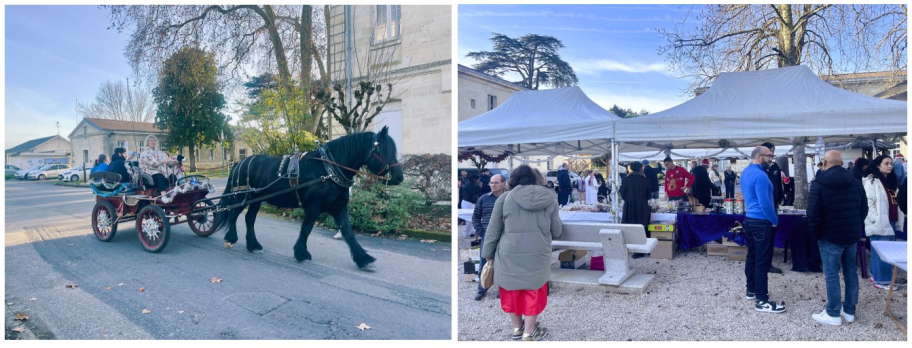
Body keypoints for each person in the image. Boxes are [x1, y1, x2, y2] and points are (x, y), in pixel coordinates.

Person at [482, 165, 561, 341]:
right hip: (538, 252)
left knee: (511, 289)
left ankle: (518, 328)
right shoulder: (550, 199)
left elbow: (493, 230)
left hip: (509, 252)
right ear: (536, 179)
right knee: (534, 289)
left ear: (513, 180)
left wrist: (488, 253)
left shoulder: (504, 198)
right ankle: (529, 332)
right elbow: (556, 230)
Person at [806, 150, 866, 326]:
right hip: (850, 235)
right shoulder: (855, 182)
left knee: (831, 274)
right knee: (850, 272)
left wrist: (815, 235)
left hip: (829, 236)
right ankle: (849, 311)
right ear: (841, 163)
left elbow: (813, 215)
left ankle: (832, 313)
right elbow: (863, 210)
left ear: (824, 163)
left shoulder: (819, 183)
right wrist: (855, 227)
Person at [740, 146, 786, 313]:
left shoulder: (746, 172)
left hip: (750, 220)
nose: (771, 159)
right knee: (762, 261)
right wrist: (774, 221)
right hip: (761, 221)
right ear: (759, 156)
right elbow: (765, 203)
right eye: (769, 156)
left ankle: (751, 290)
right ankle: (762, 300)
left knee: (751, 256)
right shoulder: (761, 175)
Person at [863, 155, 904, 290]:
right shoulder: (872, 181)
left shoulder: (889, 181)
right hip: (880, 221)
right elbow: (868, 202)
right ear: (878, 166)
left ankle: (875, 275)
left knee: (881, 250)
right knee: (883, 251)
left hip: (890, 219)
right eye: (886, 163)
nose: (890, 166)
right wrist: (875, 219)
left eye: (891, 163)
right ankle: (883, 280)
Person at [472, 174, 506, 301]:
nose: (493, 185)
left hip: (504, 234)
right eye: (491, 183)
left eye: (496, 183)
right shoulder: (483, 199)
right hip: (487, 234)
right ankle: (482, 288)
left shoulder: (509, 198)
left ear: (504, 183)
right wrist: (481, 232)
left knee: (503, 262)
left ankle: (502, 289)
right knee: (485, 261)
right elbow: (475, 216)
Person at [620, 161, 652, 259]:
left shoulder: (627, 179)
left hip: (630, 205)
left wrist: (628, 199)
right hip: (642, 204)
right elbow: (649, 194)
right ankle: (644, 248)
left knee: (631, 225)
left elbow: (622, 191)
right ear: (640, 168)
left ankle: (634, 248)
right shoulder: (645, 180)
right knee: (643, 225)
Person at [761, 142, 784, 274]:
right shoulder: (759, 168)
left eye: (773, 151)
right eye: (770, 151)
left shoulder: (775, 166)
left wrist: (780, 198)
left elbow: (778, 184)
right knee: (765, 235)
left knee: (771, 235)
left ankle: (768, 263)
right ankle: (764, 264)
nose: (772, 154)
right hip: (763, 208)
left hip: (774, 205)